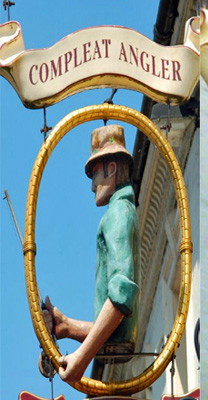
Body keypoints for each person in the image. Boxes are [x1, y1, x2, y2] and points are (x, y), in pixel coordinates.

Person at [43, 124, 140, 383]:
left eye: (94, 173)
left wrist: (81, 359)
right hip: (119, 339)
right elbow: (117, 329)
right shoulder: (123, 211)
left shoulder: (117, 214)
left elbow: (121, 297)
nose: (92, 185)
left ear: (111, 169)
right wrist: (68, 327)